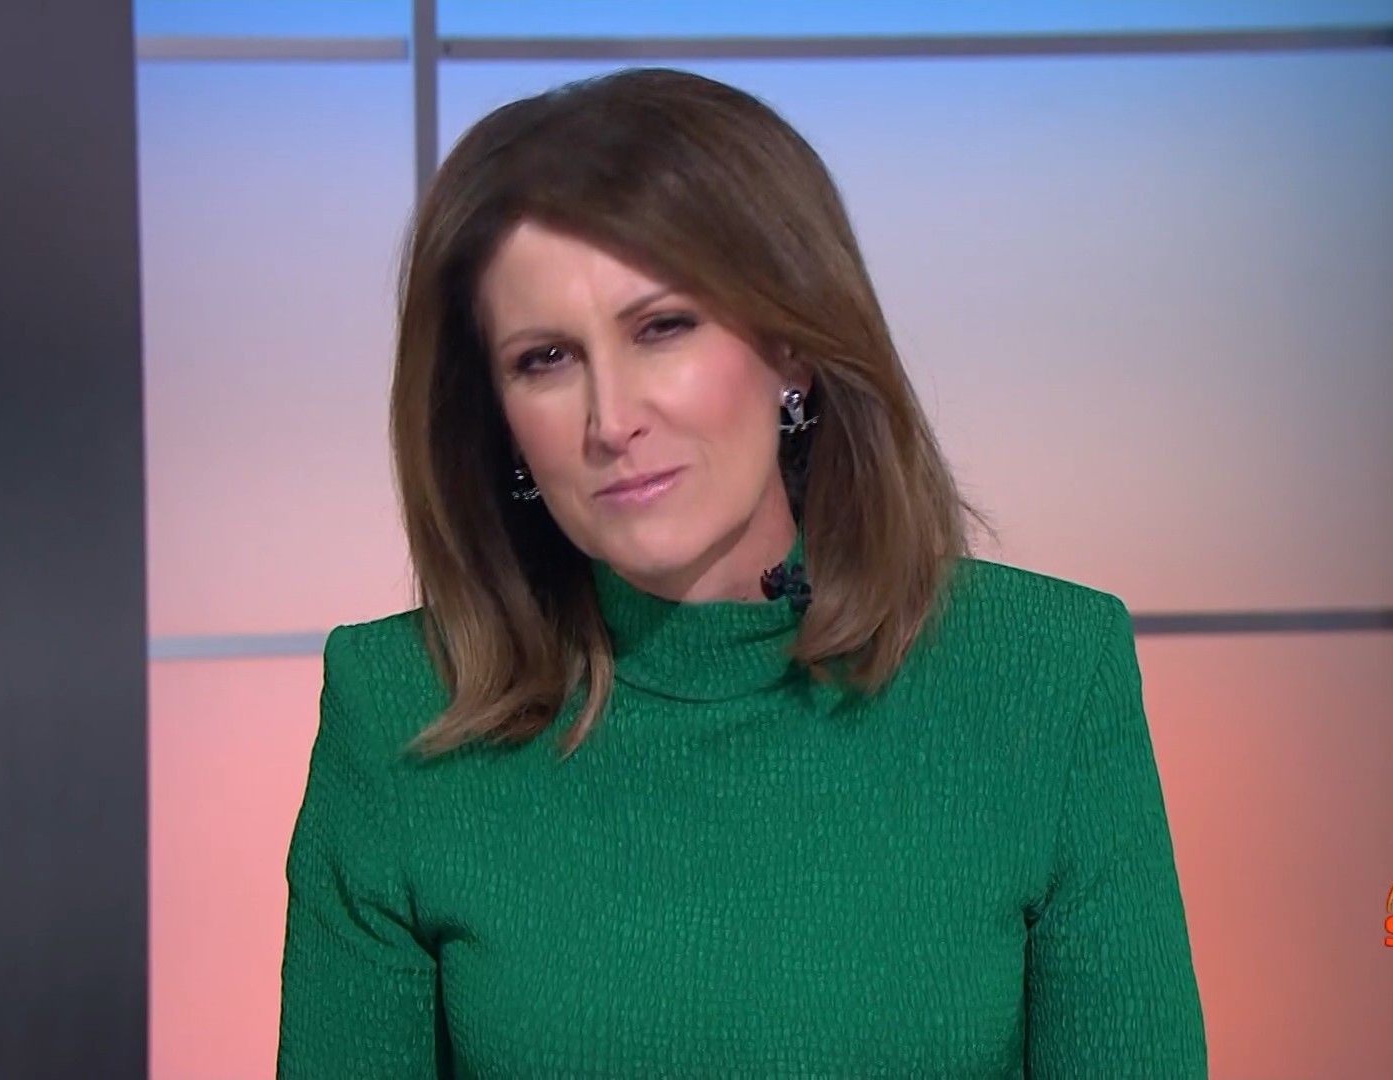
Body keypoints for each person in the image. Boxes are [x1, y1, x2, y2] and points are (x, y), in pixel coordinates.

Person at [277, 66, 1206, 1078]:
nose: (611, 420)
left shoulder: (1047, 676)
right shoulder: (398, 708)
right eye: (546, 358)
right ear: (496, 416)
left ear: (791, 347)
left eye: (661, 328)